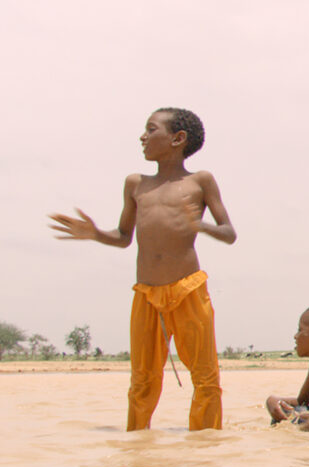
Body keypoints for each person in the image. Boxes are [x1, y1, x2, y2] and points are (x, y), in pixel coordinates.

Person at [49, 108, 236, 431]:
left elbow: (229, 233)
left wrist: (201, 225)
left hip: (189, 289)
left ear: (178, 139)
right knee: (142, 380)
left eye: (151, 129)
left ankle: (205, 446)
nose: (143, 137)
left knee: (205, 378)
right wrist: (95, 233)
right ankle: (137, 441)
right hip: (147, 293)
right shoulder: (136, 184)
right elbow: (124, 237)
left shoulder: (200, 181)